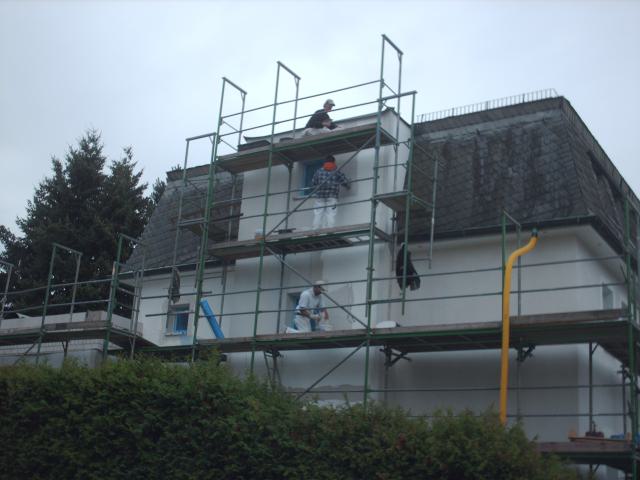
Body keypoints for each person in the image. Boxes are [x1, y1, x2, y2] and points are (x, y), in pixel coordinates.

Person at [311, 155, 351, 229]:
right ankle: (329, 230)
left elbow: (313, 183)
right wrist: (348, 185)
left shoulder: (319, 171)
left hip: (320, 197)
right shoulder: (336, 171)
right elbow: (345, 182)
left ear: (325, 162)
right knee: (331, 214)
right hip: (332, 197)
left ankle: (315, 229)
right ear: (333, 162)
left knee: (318, 213)